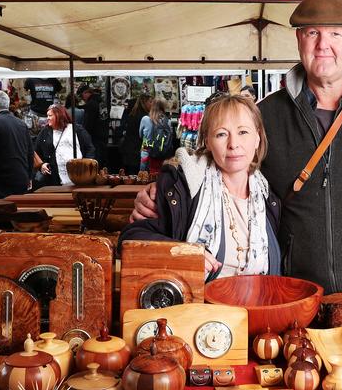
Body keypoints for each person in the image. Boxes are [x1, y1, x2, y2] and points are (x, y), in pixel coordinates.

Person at [132, 0, 342, 306]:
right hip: (293, 298)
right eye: (312, 33)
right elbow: (220, 163)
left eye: (335, 34)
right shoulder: (268, 115)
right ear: (299, 40)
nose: (323, 45)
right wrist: (163, 191)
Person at [120, 95, 280, 279]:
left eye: (243, 132)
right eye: (221, 134)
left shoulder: (269, 197)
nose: (233, 144)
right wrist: (182, 253)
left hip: (259, 305)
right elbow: (129, 240)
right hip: (198, 306)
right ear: (208, 142)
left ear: (258, 138)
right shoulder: (183, 187)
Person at [33, 104, 95, 187]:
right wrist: (42, 165)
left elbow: (90, 148)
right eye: (47, 116)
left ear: (59, 115)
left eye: (50, 115)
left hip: (79, 175)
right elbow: (36, 152)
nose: (47, 118)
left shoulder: (76, 129)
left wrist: (85, 166)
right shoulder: (45, 132)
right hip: (54, 178)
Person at [0, 90, 33, 199]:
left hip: (2, 181)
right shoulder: (21, 124)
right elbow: (30, 153)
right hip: (21, 178)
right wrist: (29, 176)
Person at [120, 94, 152, 175]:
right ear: (145, 103)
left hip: (129, 150)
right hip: (138, 151)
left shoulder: (132, 114)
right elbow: (145, 137)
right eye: (150, 102)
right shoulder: (144, 117)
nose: (152, 104)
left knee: (131, 176)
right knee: (140, 177)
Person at [139, 98, 171, 175]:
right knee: (159, 178)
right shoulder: (168, 122)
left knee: (144, 178)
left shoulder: (145, 119)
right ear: (163, 107)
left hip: (147, 153)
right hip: (162, 155)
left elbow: (140, 135)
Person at [80, 86, 107, 167]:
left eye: (82, 95)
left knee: (94, 161)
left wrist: (84, 135)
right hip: (103, 135)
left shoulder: (91, 104)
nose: (82, 98)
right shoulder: (102, 103)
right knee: (101, 160)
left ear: (86, 93)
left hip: (93, 136)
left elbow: (88, 123)